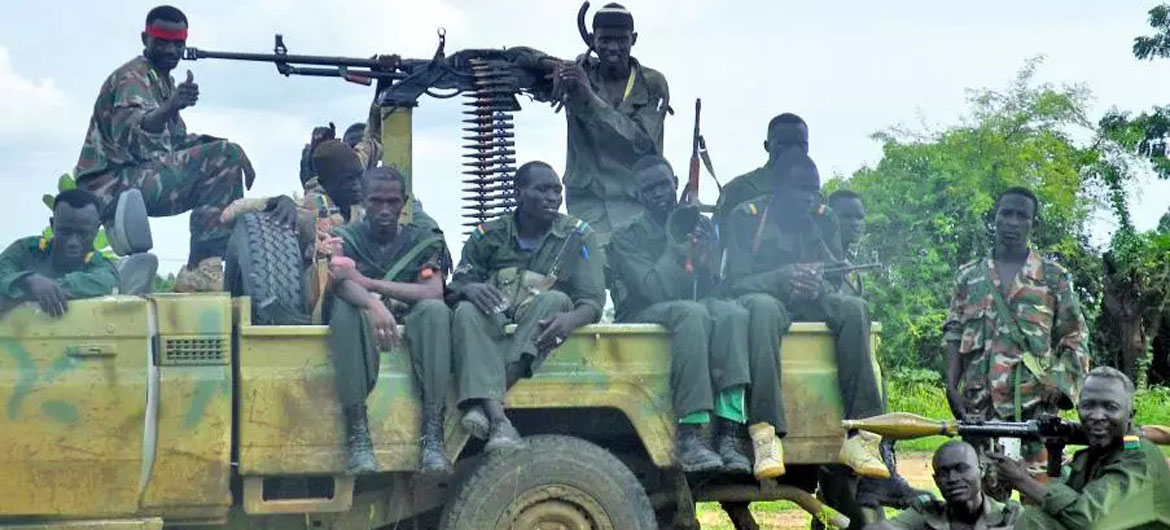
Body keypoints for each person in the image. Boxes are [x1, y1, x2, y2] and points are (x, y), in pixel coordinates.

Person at [607, 155, 788, 476]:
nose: (659, 193)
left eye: (664, 184)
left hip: (694, 303)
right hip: (644, 311)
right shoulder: (626, 236)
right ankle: (691, 435)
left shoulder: (697, 221)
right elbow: (655, 289)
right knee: (692, 314)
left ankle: (729, 432)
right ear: (637, 195)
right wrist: (678, 246)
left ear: (676, 183)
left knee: (732, 314)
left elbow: (717, 283)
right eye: (649, 189)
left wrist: (706, 253)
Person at [721, 151, 889, 479]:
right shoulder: (747, 216)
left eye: (813, 190)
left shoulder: (823, 218)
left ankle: (864, 435)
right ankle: (766, 435)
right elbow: (733, 284)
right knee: (763, 309)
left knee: (854, 308)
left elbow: (835, 273)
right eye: (799, 189)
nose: (807, 197)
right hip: (764, 299)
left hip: (810, 299)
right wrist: (781, 277)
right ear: (777, 187)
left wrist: (817, 285)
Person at [74, 5, 256, 293]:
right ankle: (202, 267)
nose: (171, 50)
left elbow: (172, 144)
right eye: (162, 41)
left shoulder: (160, 80)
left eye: (178, 43)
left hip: (132, 179)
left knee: (226, 154)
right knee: (223, 158)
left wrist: (229, 147)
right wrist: (172, 106)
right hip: (109, 186)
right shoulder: (132, 78)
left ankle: (201, 269)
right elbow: (135, 135)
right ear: (145, 39)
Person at [449, 161, 604, 452]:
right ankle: (499, 419)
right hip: (494, 317)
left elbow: (593, 301)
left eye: (557, 191)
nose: (552, 197)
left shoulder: (578, 235)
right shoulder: (490, 234)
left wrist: (571, 320)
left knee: (556, 299)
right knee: (466, 310)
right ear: (518, 194)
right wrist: (470, 287)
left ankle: (488, 412)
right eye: (542, 189)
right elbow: (457, 284)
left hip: (540, 322)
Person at [943, 187, 1091, 484]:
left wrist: (1060, 383)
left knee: (1040, 501)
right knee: (980, 503)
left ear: (1032, 224)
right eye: (1005, 213)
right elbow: (954, 334)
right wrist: (951, 388)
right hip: (980, 410)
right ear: (995, 219)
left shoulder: (1053, 277)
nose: (1012, 221)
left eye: (1021, 216)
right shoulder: (968, 276)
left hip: (1035, 414)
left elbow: (1075, 336)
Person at [324, 167, 453, 475]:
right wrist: (371, 303)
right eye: (376, 201)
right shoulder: (345, 238)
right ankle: (359, 436)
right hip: (362, 317)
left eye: (392, 202)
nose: (384, 210)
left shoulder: (421, 239)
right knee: (347, 311)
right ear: (363, 202)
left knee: (436, 312)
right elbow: (341, 281)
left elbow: (433, 291)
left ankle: (433, 436)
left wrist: (373, 284)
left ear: (404, 202)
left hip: (408, 315)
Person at [511, 3, 670, 244]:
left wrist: (589, 98)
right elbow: (517, 57)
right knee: (590, 271)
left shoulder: (652, 84)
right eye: (604, 40)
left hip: (637, 202)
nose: (613, 48)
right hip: (589, 203)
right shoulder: (578, 74)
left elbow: (641, 141)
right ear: (592, 40)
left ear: (633, 39)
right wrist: (552, 65)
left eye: (621, 40)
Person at [989, 367, 1170, 529]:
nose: (1097, 416)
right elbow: (1067, 507)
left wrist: (1023, 481)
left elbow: (1087, 520)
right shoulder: (1094, 454)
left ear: (1130, 416)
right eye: (1088, 406)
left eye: (1111, 407)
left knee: (1034, 521)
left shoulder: (1139, 457)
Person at [0, 190, 118, 315]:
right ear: (52, 224)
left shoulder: (102, 268)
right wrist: (28, 280)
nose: (73, 242)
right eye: (65, 232)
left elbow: (106, 283)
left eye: (83, 234)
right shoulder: (26, 250)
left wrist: (39, 289)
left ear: (96, 229)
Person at [867, 441, 1021, 530]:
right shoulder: (927, 513)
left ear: (980, 471)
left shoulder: (1010, 517)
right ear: (936, 481)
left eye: (961, 469)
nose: (952, 478)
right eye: (943, 473)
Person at [713, 113, 809, 227]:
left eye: (801, 145)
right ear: (767, 146)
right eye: (784, 144)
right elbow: (716, 239)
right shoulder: (738, 190)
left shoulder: (815, 196)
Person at [828, 190, 866, 298]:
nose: (855, 223)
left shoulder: (853, 273)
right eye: (846, 217)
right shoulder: (811, 262)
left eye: (859, 218)